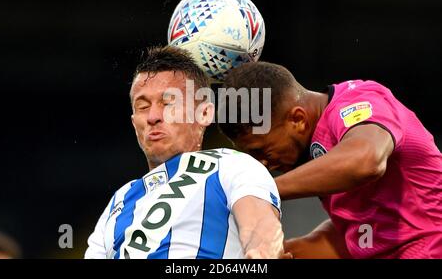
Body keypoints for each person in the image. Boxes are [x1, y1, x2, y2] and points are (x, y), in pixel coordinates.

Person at [218, 61, 442, 259]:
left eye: (262, 150)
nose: (262, 164)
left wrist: (262, 190)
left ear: (297, 119)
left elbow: (366, 161)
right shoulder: (324, 159)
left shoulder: (360, 100)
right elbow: (360, 235)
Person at [84, 46, 284, 259]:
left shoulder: (231, 166)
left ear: (204, 113)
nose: (153, 116)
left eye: (168, 103)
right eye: (142, 107)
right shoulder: (119, 201)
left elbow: (260, 225)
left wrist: (261, 252)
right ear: (134, 124)